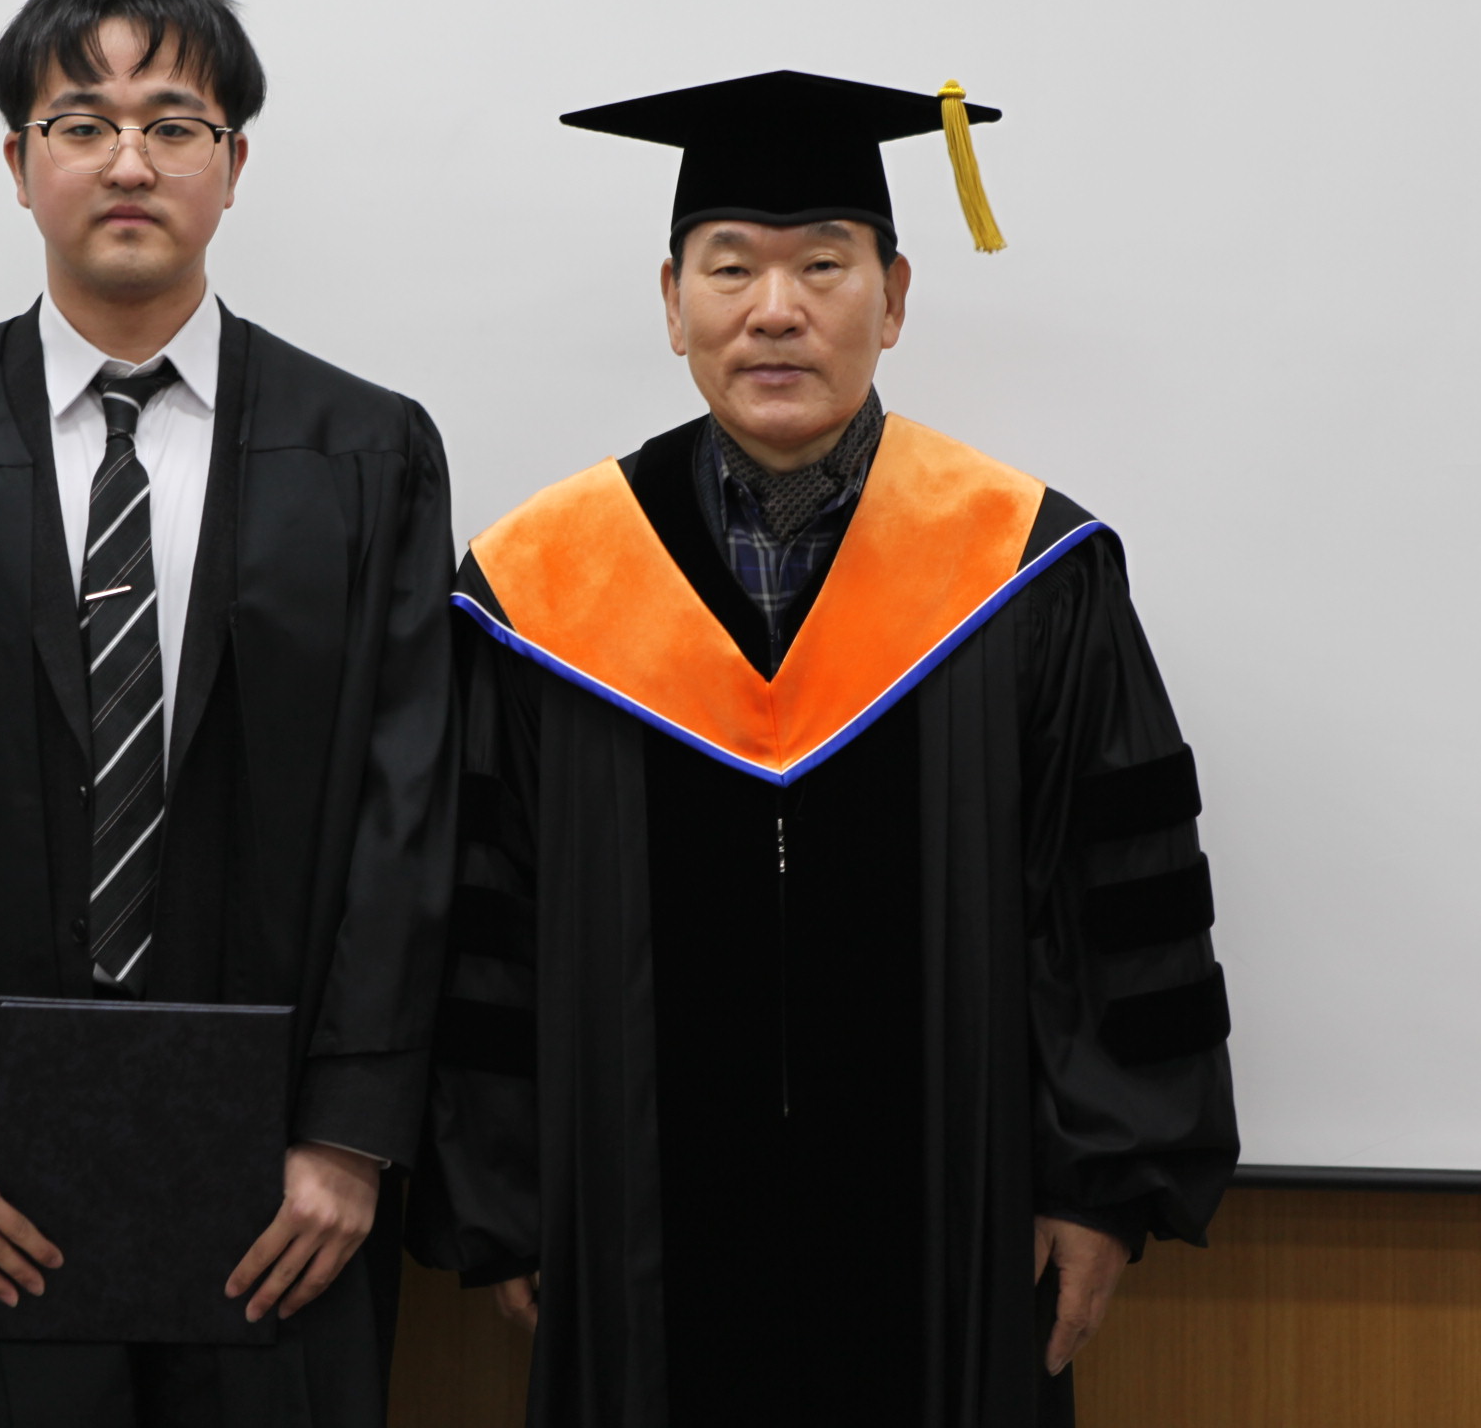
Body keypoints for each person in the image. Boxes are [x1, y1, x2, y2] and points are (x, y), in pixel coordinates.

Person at [408, 70, 1238, 1427]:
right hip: (634, 1233)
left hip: (954, 1228)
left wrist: (1101, 1187)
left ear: (894, 299)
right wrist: (505, 1198)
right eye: (732, 267)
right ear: (672, 302)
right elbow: (483, 914)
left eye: (824, 266)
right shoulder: (540, 588)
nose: (776, 308)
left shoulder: (1027, 569)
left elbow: (1111, 901)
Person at [0, 0, 456, 1428]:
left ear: (234, 166)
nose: (130, 162)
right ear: (19, 165)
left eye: (174, 125)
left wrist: (353, 1134)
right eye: (82, 124)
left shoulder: (368, 454)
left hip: (282, 1190)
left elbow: (414, 805)